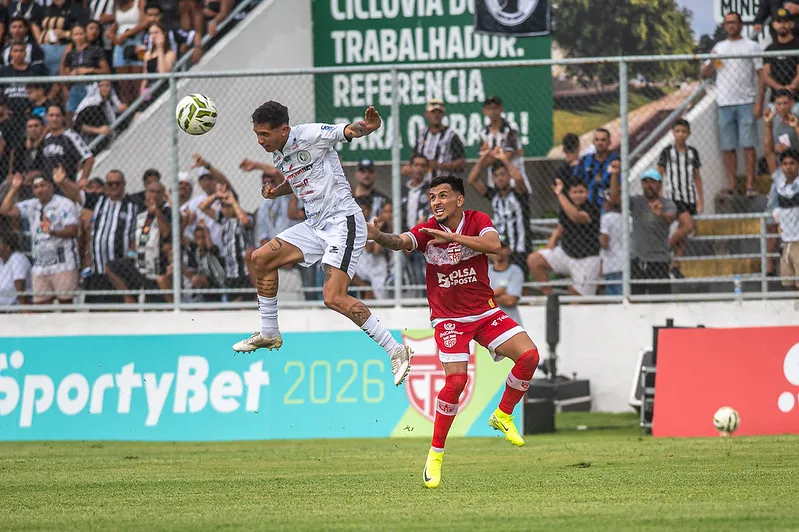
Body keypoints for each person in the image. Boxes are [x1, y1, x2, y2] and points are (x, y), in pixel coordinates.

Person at [365, 175, 540, 489]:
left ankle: (503, 414)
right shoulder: (427, 230)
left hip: (485, 312)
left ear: (460, 200)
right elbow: (401, 242)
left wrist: (454, 241)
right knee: (457, 381)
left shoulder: (478, 220)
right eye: (432, 197)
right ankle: (435, 455)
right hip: (449, 319)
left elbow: (493, 245)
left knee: (530, 356)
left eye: (443, 195)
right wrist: (379, 236)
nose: (436, 202)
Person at [231, 101, 413, 387]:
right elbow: (297, 176)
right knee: (260, 258)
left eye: (264, 134)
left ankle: (396, 350)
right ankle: (269, 332)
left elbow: (348, 131)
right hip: (315, 225)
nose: (260, 141)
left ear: (284, 130)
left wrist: (369, 127)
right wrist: (275, 192)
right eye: (257, 134)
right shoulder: (279, 153)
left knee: (333, 297)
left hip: (343, 222)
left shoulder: (310, 134)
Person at [701, 12, 764, 198]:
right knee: (728, 147)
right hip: (724, 103)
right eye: (727, 23)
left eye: (733, 23)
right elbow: (705, 72)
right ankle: (731, 185)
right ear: (724, 26)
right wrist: (710, 60)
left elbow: (761, 74)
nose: (730, 26)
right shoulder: (719, 47)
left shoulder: (752, 46)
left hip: (746, 101)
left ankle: (750, 185)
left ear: (741, 25)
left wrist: (759, 102)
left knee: (748, 145)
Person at [0, 169, 79, 305]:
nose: (39, 190)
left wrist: (53, 231)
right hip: (40, 266)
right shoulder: (32, 205)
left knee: (66, 305)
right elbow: (5, 210)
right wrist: (14, 188)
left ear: (51, 186)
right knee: (41, 306)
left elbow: (72, 230)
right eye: (35, 187)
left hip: (63, 263)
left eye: (43, 185)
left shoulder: (64, 204)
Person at [527, 177, 601, 296]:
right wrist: (552, 241)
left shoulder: (592, 207)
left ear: (587, 193)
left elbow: (576, 217)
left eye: (581, 192)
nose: (578, 195)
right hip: (566, 253)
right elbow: (561, 225)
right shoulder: (565, 206)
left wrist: (560, 194)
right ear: (570, 194)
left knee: (577, 295)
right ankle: (550, 298)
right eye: (574, 192)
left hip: (586, 258)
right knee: (534, 260)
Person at [656, 118, 703, 275]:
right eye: (678, 131)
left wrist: (700, 199)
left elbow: (697, 177)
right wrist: (660, 196)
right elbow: (659, 175)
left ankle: (675, 266)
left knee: (682, 234)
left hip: (689, 197)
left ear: (689, 133)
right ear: (673, 133)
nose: (681, 135)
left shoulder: (692, 153)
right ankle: (662, 250)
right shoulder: (667, 152)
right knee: (689, 226)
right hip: (674, 197)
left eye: (684, 131)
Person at [630, 169, 677, 295]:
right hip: (637, 260)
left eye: (652, 182)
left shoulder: (667, 204)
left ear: (659, 184)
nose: (649, 185)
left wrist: (661, 214)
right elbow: (616, 200)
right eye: (645, 182)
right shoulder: (636, 201)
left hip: (658, 261)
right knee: (636, 301)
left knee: (660, 302)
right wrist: (615, 174)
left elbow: (670, 218)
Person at [766, 148, 799, 289]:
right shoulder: (779, 187)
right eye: (785, 164)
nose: (788, 167)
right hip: (786, 241)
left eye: (792, 163)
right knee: (789, 281)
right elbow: (772, 208)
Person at [488, 234, 525, 325]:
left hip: (511, 324)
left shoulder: (515, 271)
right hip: (490, 325)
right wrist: (499, 292)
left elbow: (510, 301)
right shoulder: (485, 270)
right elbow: (477, 299)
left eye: (503, 247)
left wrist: (487, 296)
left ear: (509, 250)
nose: (499, 250)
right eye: (496, 247)